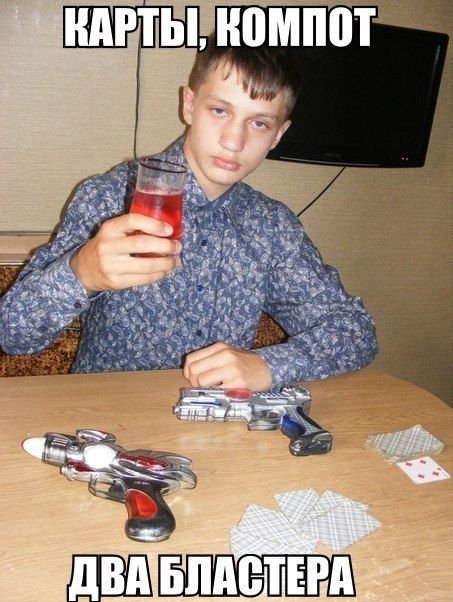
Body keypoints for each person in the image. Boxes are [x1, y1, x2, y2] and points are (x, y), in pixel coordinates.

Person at [0, 41, 377, 390]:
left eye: (259, 122)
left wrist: (268, 365)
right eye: (220, 111)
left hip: (219, 426)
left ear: (278, 134)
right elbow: (12, 334)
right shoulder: (110, 196)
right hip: (105, 422)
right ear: (189, 105)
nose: (234, 141)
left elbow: (355, 332)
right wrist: (80, 273)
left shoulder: (272, 227)